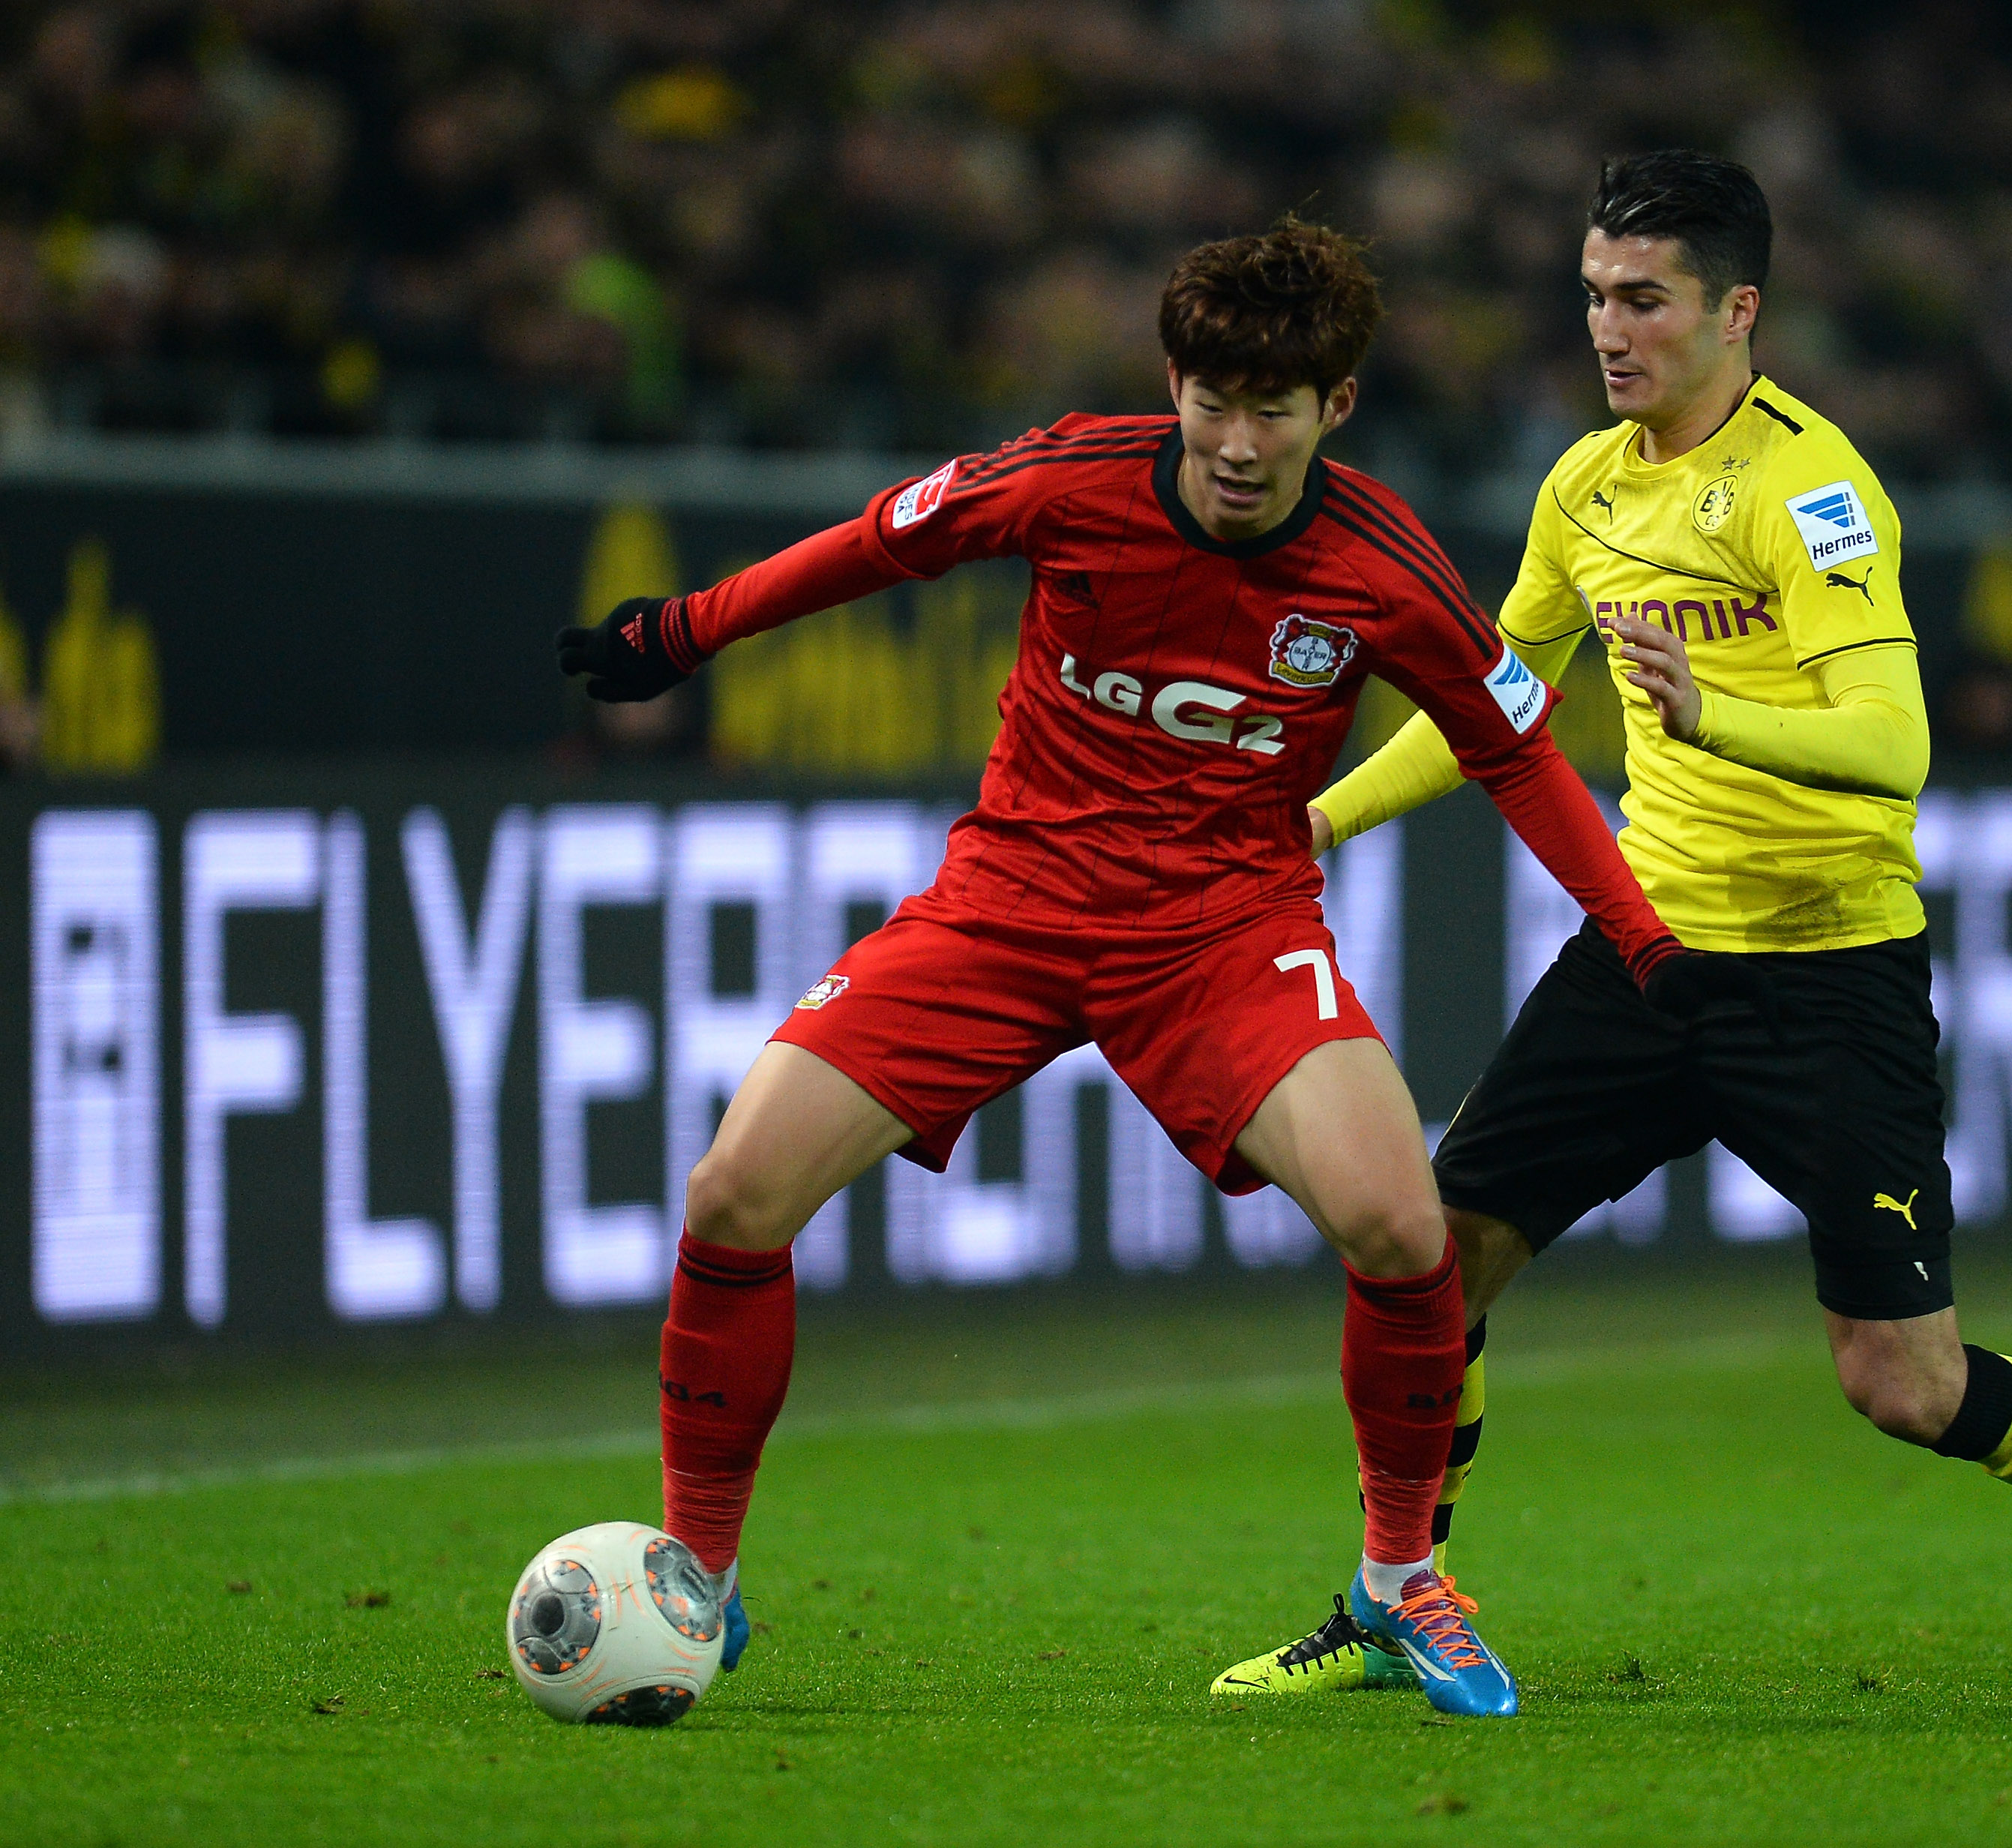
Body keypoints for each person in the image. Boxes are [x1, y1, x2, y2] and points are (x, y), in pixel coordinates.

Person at [557, 219, 1759, 1720]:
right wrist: (682, 630)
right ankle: (702, 1580)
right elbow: (881, 539)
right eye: (1212, 397)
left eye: (1275, 405)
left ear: (1338, 406)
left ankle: (1397, 1585)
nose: (1237, 441)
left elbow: (1510, 748)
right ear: (1173, 382)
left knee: (1402, 1223)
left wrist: (1642, 940)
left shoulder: (1382, 565)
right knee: (733, 1193)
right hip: (1006, 902)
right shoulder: (1069, 476)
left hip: (1223, 930)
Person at [1212, 154, 2012, 1702]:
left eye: (1641, 299)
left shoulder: (1810, 492)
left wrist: (1718, 710)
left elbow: (1889, 741)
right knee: (1433, 1265)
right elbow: (1499, 702)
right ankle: (1396, 1593)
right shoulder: (1586, 486)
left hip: (1829, 975)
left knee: (1899, 1380)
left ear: (1735, 310)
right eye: (1591, 296)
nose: (1608, 330)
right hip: (1649, 955)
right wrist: (1320, 815)